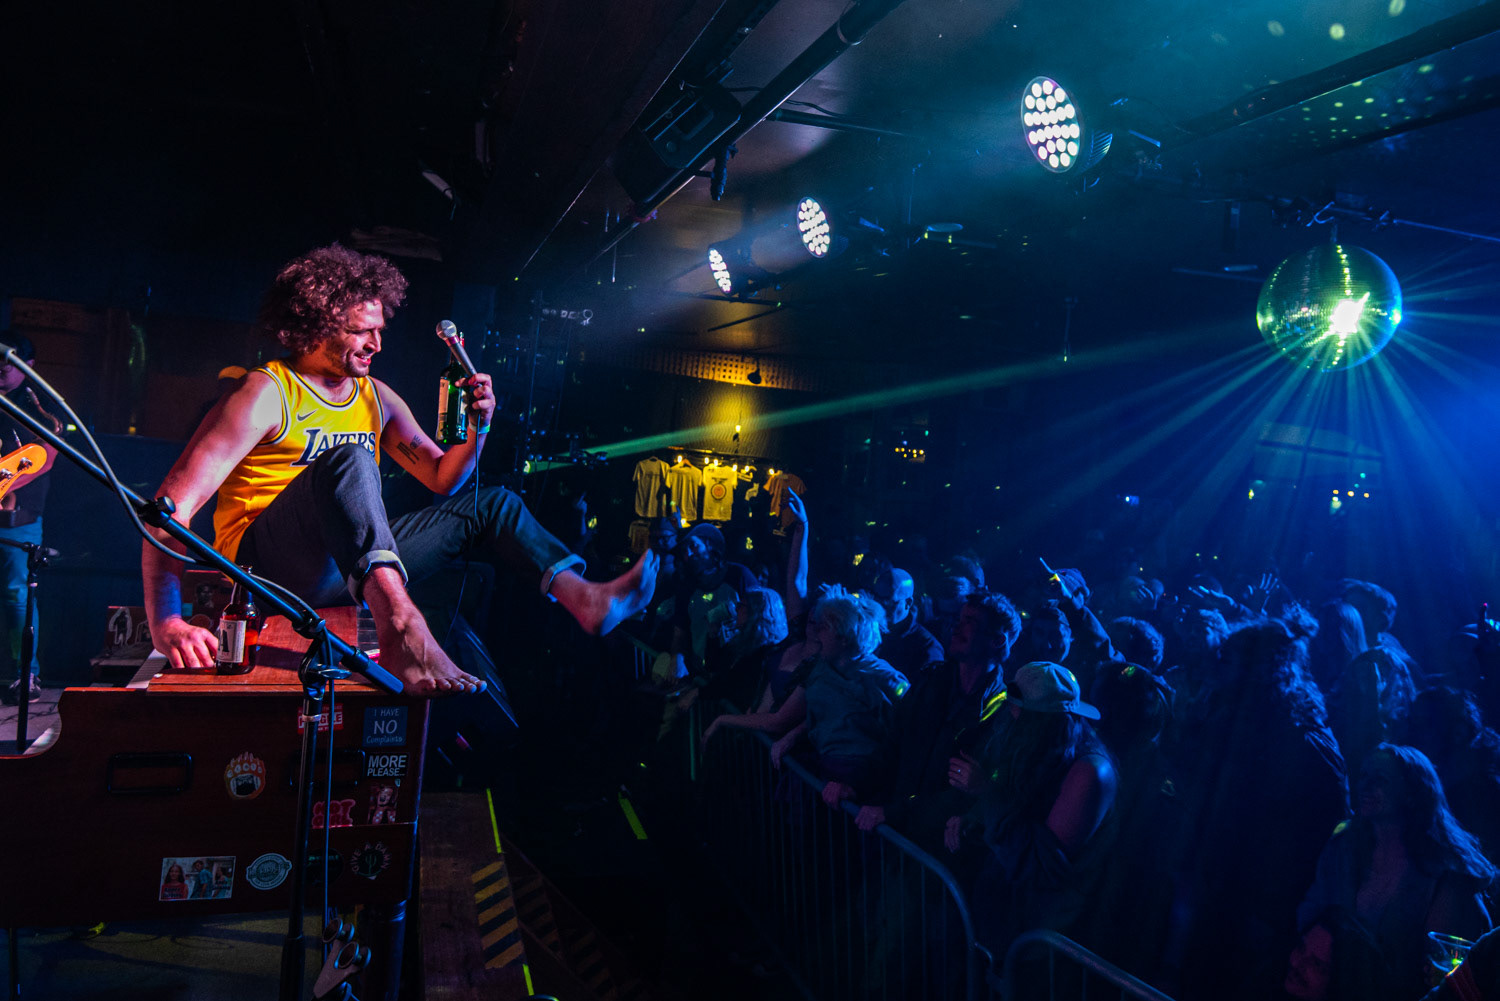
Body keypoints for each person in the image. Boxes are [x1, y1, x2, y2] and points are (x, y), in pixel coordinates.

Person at [140, 245, 657, 696]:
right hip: (268, 570)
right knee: (350, 458)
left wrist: (478, 430)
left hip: (347, 567)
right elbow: (171, 509)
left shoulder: (376, 398)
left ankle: (585, 599)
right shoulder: (265, 393)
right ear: (314, 325)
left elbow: (443, 479)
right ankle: (403, 631)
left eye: (380, 330)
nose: (377, 344)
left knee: (493, 504)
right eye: (361, 331)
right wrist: (166, 621)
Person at [1298, 744, 1495, 1000]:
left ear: (1412, 793)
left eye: (1380, 779)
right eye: (1364, 776)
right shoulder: (1343, 848)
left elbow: (1449, 963)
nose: (1365, 786)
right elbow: (1311, 914)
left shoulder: (1446, 876)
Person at [0, 332, 59, 705]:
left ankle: (26, 675)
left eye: (9, 359)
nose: (1, 367)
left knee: (16, 594)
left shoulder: (37, 404)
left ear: (28, 365)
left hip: (17, 518)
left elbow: (46, 456)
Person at [871, 566, 944, 679]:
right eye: (877, 599)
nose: (880, 607)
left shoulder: (927, 647)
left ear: (908, 602)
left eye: (889, 601)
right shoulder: (868, 631)